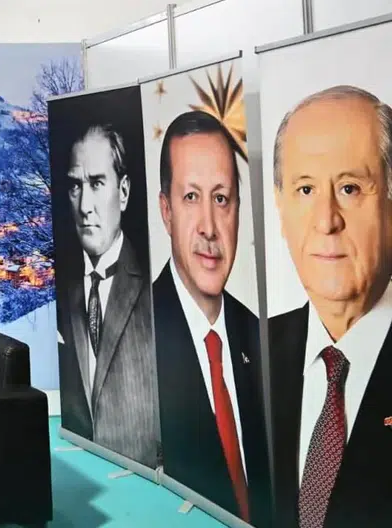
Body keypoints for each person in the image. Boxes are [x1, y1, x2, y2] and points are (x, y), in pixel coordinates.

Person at [268, 85, 392, 528]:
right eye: (305, 189)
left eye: (350, 187)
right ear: (280, 209)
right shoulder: (252, 353)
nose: (326, 220)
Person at [151, 111, 270, 524]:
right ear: (166, 211)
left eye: (221, 199)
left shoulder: (264, 339)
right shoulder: (137, 336)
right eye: (191, 197)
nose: (209, 227)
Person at [56, 123, 160, 468]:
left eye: (97, 183)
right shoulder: (63, 291)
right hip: (82, 468)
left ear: (124, 191)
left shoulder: (158, 288)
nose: (85, 206)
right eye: (76, 186)